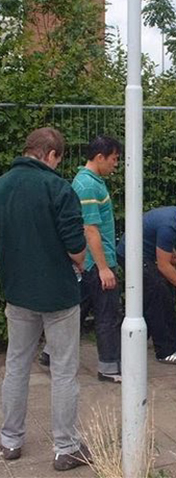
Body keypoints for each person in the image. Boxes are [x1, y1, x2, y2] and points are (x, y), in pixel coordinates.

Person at [0, 128, 91, 471]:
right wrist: (79, 261)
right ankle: (66, 448)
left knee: (16, 367)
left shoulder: (3, 185)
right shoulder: (58, 188)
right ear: (51, 154)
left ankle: (10, 442)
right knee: (65, 371)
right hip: (58, 295)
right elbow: (76, 248)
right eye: (58, 158)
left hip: (18, 291)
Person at [72, 135, 122, 383]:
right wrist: (104, 268)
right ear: (100, 157)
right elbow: (90, 228)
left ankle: (50, 354)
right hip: (96, 262)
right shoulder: (89, 186)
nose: (116, 164)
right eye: (114, 159)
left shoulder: (89, 181)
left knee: (79, 309)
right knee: (107, 316)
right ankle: (109, 367)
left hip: (90, 262)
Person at [116, 205, 176, 364]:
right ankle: (165, 351)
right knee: (158, 296)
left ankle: (131, 341)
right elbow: (164, 266)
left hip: (135, 253)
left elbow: (166, 249)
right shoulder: (169, 225)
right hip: (132, 255)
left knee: (150, 297)